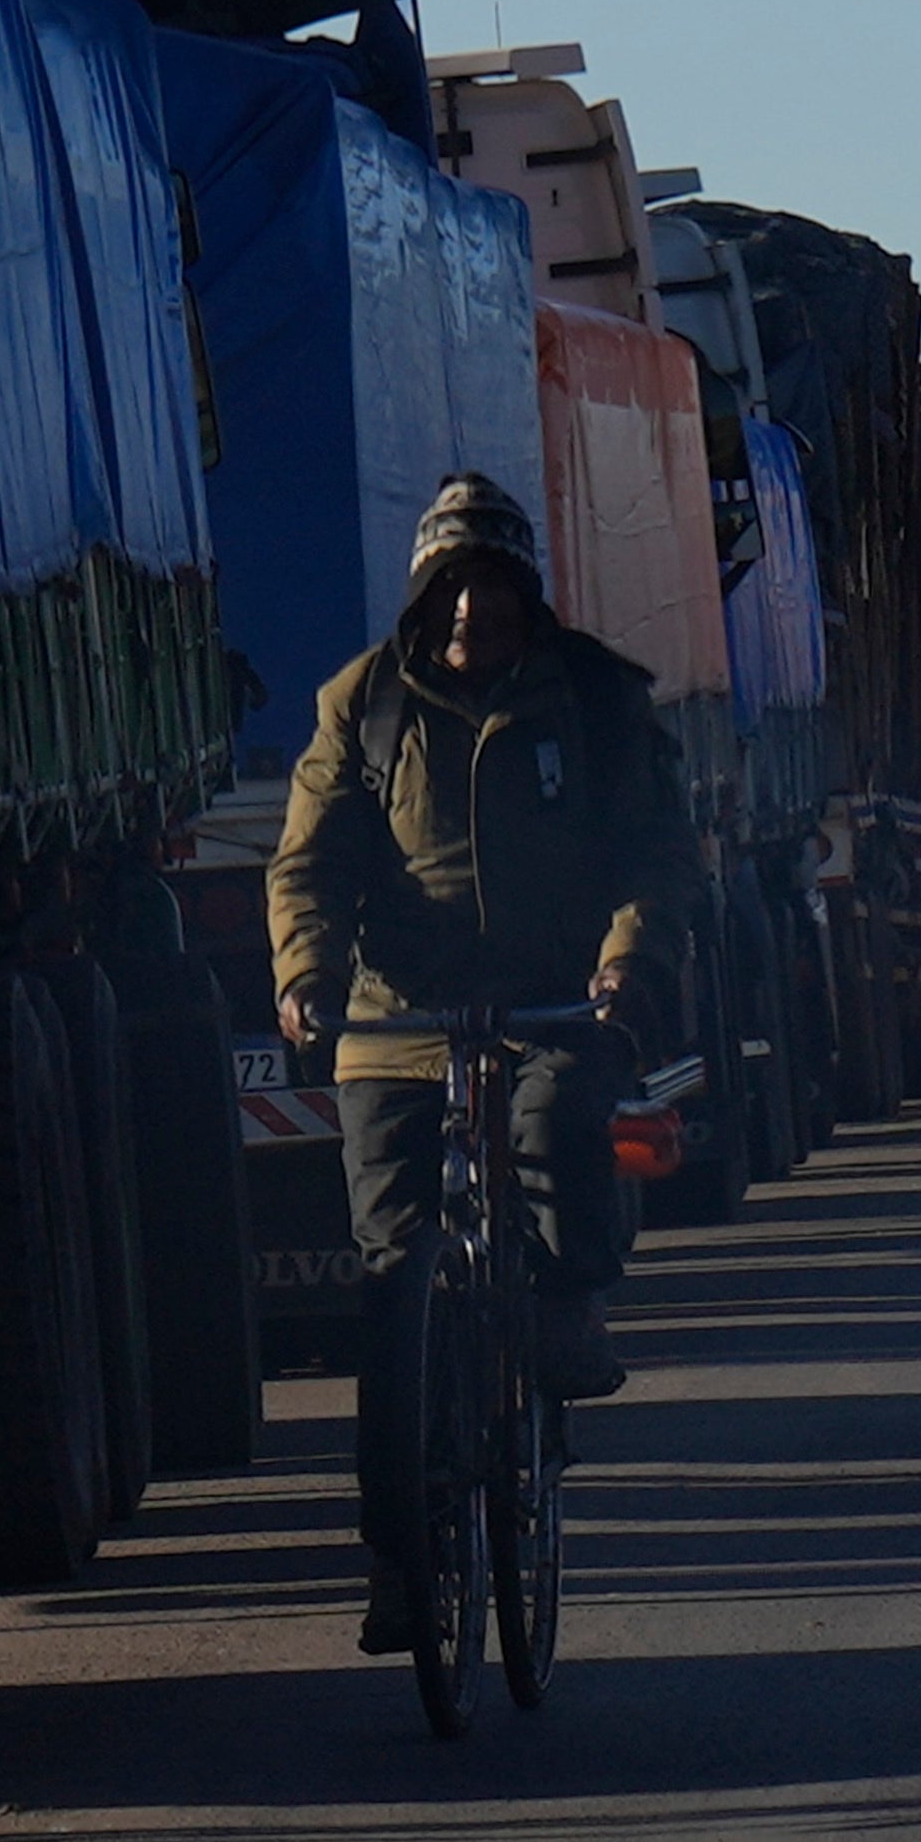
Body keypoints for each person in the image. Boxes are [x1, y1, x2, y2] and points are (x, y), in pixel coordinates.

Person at [268, 474, 698, 1651]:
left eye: (490, 590)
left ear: (525, 599)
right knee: (393, 1279)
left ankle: (563, 1313)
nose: (469, 615)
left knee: (560, 1128)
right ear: (421, 601)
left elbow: (658, 855)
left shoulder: (599, 704)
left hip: (554, 1004)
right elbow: (306, 863)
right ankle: (403, 1555)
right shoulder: (361, 706)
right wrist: (304, 974)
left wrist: (623, 966)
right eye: (448, 591)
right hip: (398, 1021)